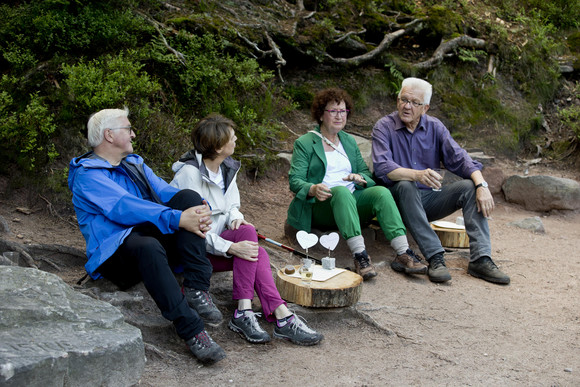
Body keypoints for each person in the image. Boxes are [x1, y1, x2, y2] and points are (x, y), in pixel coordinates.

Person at [68, 108, 226, 364]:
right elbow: (124, 207)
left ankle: (197, 287)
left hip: (145, 239)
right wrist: (177, 218)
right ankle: (192, 330)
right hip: (115, 256)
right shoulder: (88, 176)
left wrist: (200, 209)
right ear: (109, 135)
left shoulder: (134, 163)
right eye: (128, 129)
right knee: (148, 245)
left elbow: (166, 194)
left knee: (189, 198)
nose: (133, 133)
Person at [170, 113, 324, 346]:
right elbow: (194, 231)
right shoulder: (189, 175)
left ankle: (256, 312)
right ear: (219, 146)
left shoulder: (226, 169)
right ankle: (275, 316)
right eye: (232, 137)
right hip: (194, 254)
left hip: (218, 245)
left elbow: (233, 206)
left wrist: (235, 219)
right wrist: (232, 247)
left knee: (249, 235)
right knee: (256, 251)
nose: (236, 139)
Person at [371, 77, 510, 285]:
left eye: (414, 102)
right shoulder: (384, 126)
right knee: (405, 184)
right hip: (395, 203)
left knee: (469, 187)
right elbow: (382, 167)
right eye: (403, 99)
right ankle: (435, 256)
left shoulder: (435, 127)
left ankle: (481, 259)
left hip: (427, 200)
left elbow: (461, 159)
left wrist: (482, 185)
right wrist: (416, 175)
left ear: (425, 108)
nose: (406, 106)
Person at [287, 87, 427, 280]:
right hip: (322, 205)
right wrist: (312, 188)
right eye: (333, 111)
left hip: (351, 201)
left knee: (381, 192)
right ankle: (360, 255)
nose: (339, 116)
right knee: (342, 193)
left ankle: (403, 252)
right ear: (320, 115)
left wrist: (359, 178)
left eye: (343, 111)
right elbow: (295, 181)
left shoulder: (349, 142)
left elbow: (366, 174)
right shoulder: (305, 143)